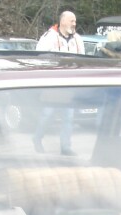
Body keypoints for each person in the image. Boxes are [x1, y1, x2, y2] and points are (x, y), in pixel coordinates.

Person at [34, 11, 83, 154]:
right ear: (62, 21)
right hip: (53, 85)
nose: (74, 24)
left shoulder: (78, 39)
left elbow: (83, 61)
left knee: (69, 117)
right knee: (47, 114)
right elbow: (38, 59)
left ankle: (65, 147)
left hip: (70, 86)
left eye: (75, 21)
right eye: (71, 21)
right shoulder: (48, 37)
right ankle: (37, 138)